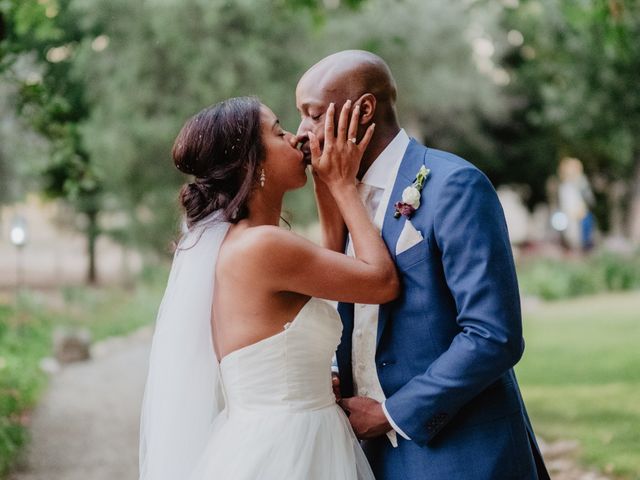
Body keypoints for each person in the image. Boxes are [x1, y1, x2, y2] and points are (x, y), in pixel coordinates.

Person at [296, 50, 550, 479]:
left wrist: (392, 414)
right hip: (371, 459)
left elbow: (493, 336)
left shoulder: (454, 186)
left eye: (314, 114)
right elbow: (354, 315)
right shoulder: (341, 196)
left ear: (363, 111)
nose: (302, 132)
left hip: (464, 454)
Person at [139, 96, 398, 480]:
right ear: (252, 162)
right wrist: (345, 186)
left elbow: (325, 272)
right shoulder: (264, 246)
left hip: (277, 432)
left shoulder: (243, 243)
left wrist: (326, 188)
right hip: (291, 445)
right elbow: (382, 282)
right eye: (279, 132)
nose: (295, 138)